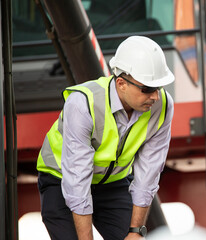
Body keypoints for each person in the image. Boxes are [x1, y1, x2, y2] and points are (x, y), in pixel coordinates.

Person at [36, 36, 175, 240]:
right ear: (121, 83)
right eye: (147, 89)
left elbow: (148, 172)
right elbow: (77, 180)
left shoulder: (162, 107)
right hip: (62, 179)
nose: (155, 96)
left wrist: (136, 231)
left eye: (159, 87)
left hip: (113, 183)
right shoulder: (82, 104)